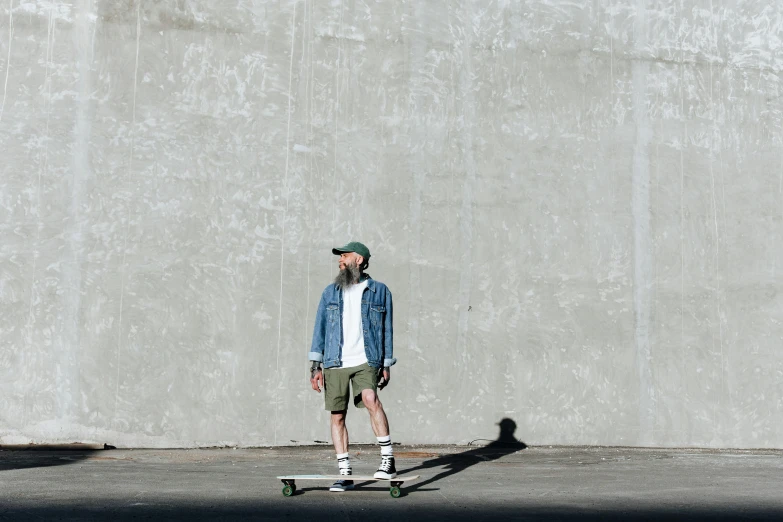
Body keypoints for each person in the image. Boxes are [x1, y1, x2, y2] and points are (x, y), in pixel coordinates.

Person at [308, 241, 396, 492]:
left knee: (370, 398)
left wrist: (386, 363)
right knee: (337, 416)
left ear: (359, 259)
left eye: (344, 256)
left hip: (366, 359)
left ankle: (387, 460)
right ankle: (345, 474)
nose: (340, 260)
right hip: (335, 361)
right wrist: (315, 366)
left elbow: (387, 330)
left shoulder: (379, 291)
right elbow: (320, 329)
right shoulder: (330, 292)